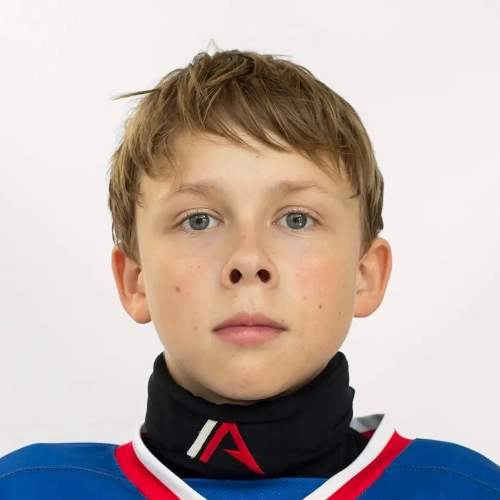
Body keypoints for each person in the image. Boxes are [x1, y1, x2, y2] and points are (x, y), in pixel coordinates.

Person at [1, 48, 499, 500]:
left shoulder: (468, 490)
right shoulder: (28, 489)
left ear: (365, 275)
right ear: (135, 281)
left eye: (296, 219)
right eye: (199, 220)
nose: (248, 260)